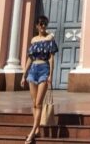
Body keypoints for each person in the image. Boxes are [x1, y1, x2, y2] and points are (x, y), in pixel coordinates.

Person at [20, 15, 57, 143]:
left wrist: (51, 75)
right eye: (41, 24)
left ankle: (32, 132)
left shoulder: (50, 38)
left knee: (39, 103)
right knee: (34, 103)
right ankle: (37, 129)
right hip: (33, 71)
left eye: (45, 24)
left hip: (44, 70)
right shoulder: (33, 40)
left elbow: (52, 58)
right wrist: (24, 75)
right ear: (36, 26)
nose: (43, 26)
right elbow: (30, 58)